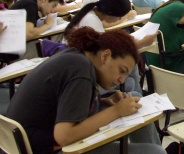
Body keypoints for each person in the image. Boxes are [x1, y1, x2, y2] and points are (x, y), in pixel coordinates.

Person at [6, 27, 165, 154]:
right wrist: (116, 111)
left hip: (24, 142)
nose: (122, 80)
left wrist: (102, 103)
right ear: (105, 56)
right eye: (121, 70)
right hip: (46, 148)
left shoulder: (76, 57)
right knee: (155, 152)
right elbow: (64, 136)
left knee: (135, 99)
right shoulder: (81, 71)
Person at [65, 0, 155, 95]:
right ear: (111, 13)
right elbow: (106, 51)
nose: (120, 19)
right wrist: (142, 43)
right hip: (89, 76)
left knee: (130, 77)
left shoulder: (90, 14)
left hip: (88, 70)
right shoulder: (92, 21)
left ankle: (139, 95)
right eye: (120, 16)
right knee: (131, 81)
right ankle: (140, 97)